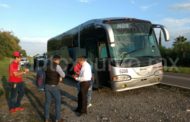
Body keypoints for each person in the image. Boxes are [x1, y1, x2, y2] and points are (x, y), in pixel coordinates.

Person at [44, 55, 65, 122]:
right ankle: (57, 119)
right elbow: (63, 75)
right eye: (59, 60)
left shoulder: (46, 65)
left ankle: (46, 118)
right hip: (54, 87)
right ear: (57, 60)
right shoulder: (57, 66)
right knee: (58, 102)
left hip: (46, 85)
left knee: (47, 102)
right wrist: (60, 76)